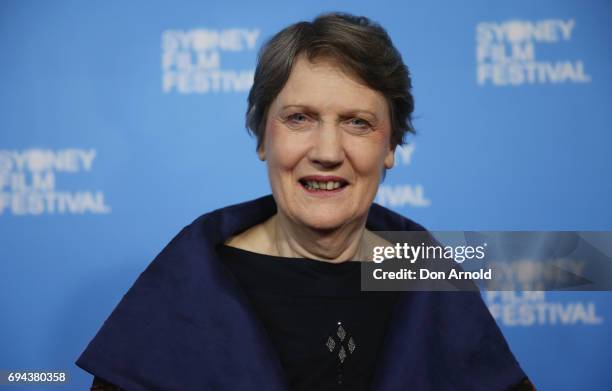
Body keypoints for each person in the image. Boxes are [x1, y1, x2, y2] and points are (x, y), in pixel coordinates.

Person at [77, 12, 534, 391]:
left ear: (391, 146)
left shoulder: (429, 275)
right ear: (262, 138)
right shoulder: (188, 279)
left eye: (357, 123)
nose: (328, 152)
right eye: (299, 118)